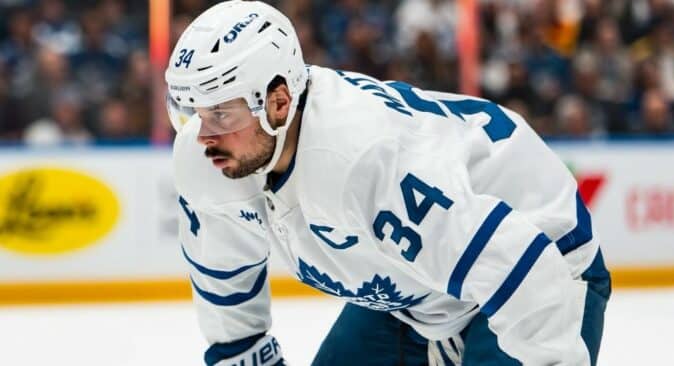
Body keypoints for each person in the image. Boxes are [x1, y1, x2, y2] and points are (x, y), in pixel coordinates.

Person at [165, 2, 610, 365]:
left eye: (221, 113)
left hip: (538, 261)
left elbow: (520, 268)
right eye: (195, 112)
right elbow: (227, 287)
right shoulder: (208, 153)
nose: (204, 135)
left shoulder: (363, 159)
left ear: (278, 103)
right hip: (414, 294)